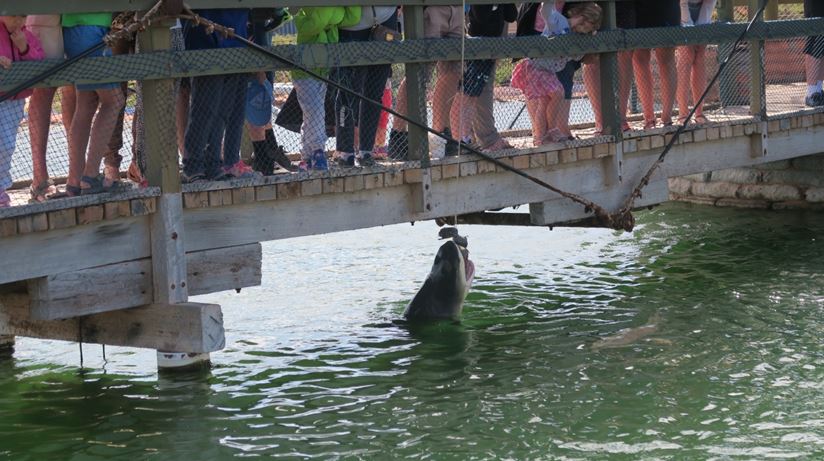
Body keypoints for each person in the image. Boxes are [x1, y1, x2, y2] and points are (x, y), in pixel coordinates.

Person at [511, 2, 602, 146]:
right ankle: (551, 130)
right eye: (588, 24)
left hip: (548, 71)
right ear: (582, 17)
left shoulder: (577, 37)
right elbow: (546, 11)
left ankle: (541, 136)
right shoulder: (559, 22)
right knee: (557, 92)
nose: (586, 29)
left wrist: (590, 45)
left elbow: (577, 56)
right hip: (535, 67)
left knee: (545, 101)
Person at [182, 9, 255, 182]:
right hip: (208, 37)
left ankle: (213, 163)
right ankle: (193, 165)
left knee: (223, 111)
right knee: (205, 108)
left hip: (236, 37)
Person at [387, 5, 464, 160]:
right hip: (429, 8)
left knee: (454, 71)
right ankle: (398, 135)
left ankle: (440, 134)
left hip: (457, 8)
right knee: (419, 74)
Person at [62, 13, 126, 196]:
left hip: (78, 28)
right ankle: (90, 176)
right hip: (89, 29)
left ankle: (75, 181)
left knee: (86, 102)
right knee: (114, 101)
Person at [292, 5, 361, 171]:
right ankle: (317, 151)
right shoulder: (304, 17)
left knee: (312, 114)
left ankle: (308, 156)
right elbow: (316, 23)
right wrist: (334, 9)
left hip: (322, 70)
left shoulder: (317, 14)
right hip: (305, 71)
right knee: (316, 111)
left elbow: (353, 17)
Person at [335, 6, 398, 167]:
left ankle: (366, 151)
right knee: (348, 91)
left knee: (375, 91)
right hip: (353, 22)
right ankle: (345, 152)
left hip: (386, 17)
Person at [448, 4, 517, 149]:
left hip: (491, 52)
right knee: (465, 95)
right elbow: (481, 17)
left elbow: (512, 15)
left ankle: (467, 138)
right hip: (476, 49)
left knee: (473, 97)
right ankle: (459, 140)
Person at [25, 15, 75, 202]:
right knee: (44, 89)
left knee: (77, 87)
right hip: (43, 16)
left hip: (79, 17)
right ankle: (40, 180)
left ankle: (76, 176)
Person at [0, 15, 44, 207]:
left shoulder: (27, 35)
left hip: (15, 101)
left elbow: (38, 62)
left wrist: (23, 47)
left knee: (7, 146)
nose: (19, 21)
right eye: (14, 16)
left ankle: (0, 189)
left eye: (23, 17)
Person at [248, 8, 296, 175]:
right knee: (257, 97)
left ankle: (268, 152)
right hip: (253, 34)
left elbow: (281, 15)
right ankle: (264, 156)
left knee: (263, 97)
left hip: (259, 33)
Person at [581, 1, 634, 135]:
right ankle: (601, 121)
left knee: (625, 53)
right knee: (591, 57)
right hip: (591, 6)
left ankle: (621, 118)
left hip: (622, 6)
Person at [633, 0, 680, 129]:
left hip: (666, 8)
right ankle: (649, 117)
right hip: (638, 8)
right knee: (639, 58)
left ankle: (666, 117)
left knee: (667, 58)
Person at [676, 0, 716, 124]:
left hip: (702, 9)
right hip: (679, 7)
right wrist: (688, 27)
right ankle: (683, 114)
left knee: (699, 57)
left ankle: (699, 113)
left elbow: (709, 2)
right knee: (686, 54)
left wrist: (700, 31)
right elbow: (681, 2)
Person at [803, 0, 824, 107]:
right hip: (815, 6)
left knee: (822, 45)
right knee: (814, 40)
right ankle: (811, 93)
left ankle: (818, 90)